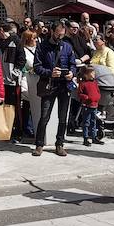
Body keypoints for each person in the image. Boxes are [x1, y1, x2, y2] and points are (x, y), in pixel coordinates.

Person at [32, 21, 77, 156]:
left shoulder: (67, 47)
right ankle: (39, 144)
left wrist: (71, 73)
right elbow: (37, 66)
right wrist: (49, 73)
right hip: (49, 85)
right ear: (52, 31)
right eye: (58, 34)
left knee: (63, 117)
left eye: (62, 35)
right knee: (44, 116)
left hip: (64, 85)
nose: (60, 37)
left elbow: (73, 64)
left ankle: (60, 144)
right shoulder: (42, 47)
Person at [76, 64, 101, 146]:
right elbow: (79, 94)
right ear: (86, 75)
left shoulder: (94, 83)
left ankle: (94, 137)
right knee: (86, 122)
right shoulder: (83, 83)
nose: (94, 75)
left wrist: (97, 97)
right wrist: (86, 97)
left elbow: (97, 91)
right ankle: (85, 138)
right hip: (87, 106)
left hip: (94, 105)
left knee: (93, 122)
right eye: (92, 73)